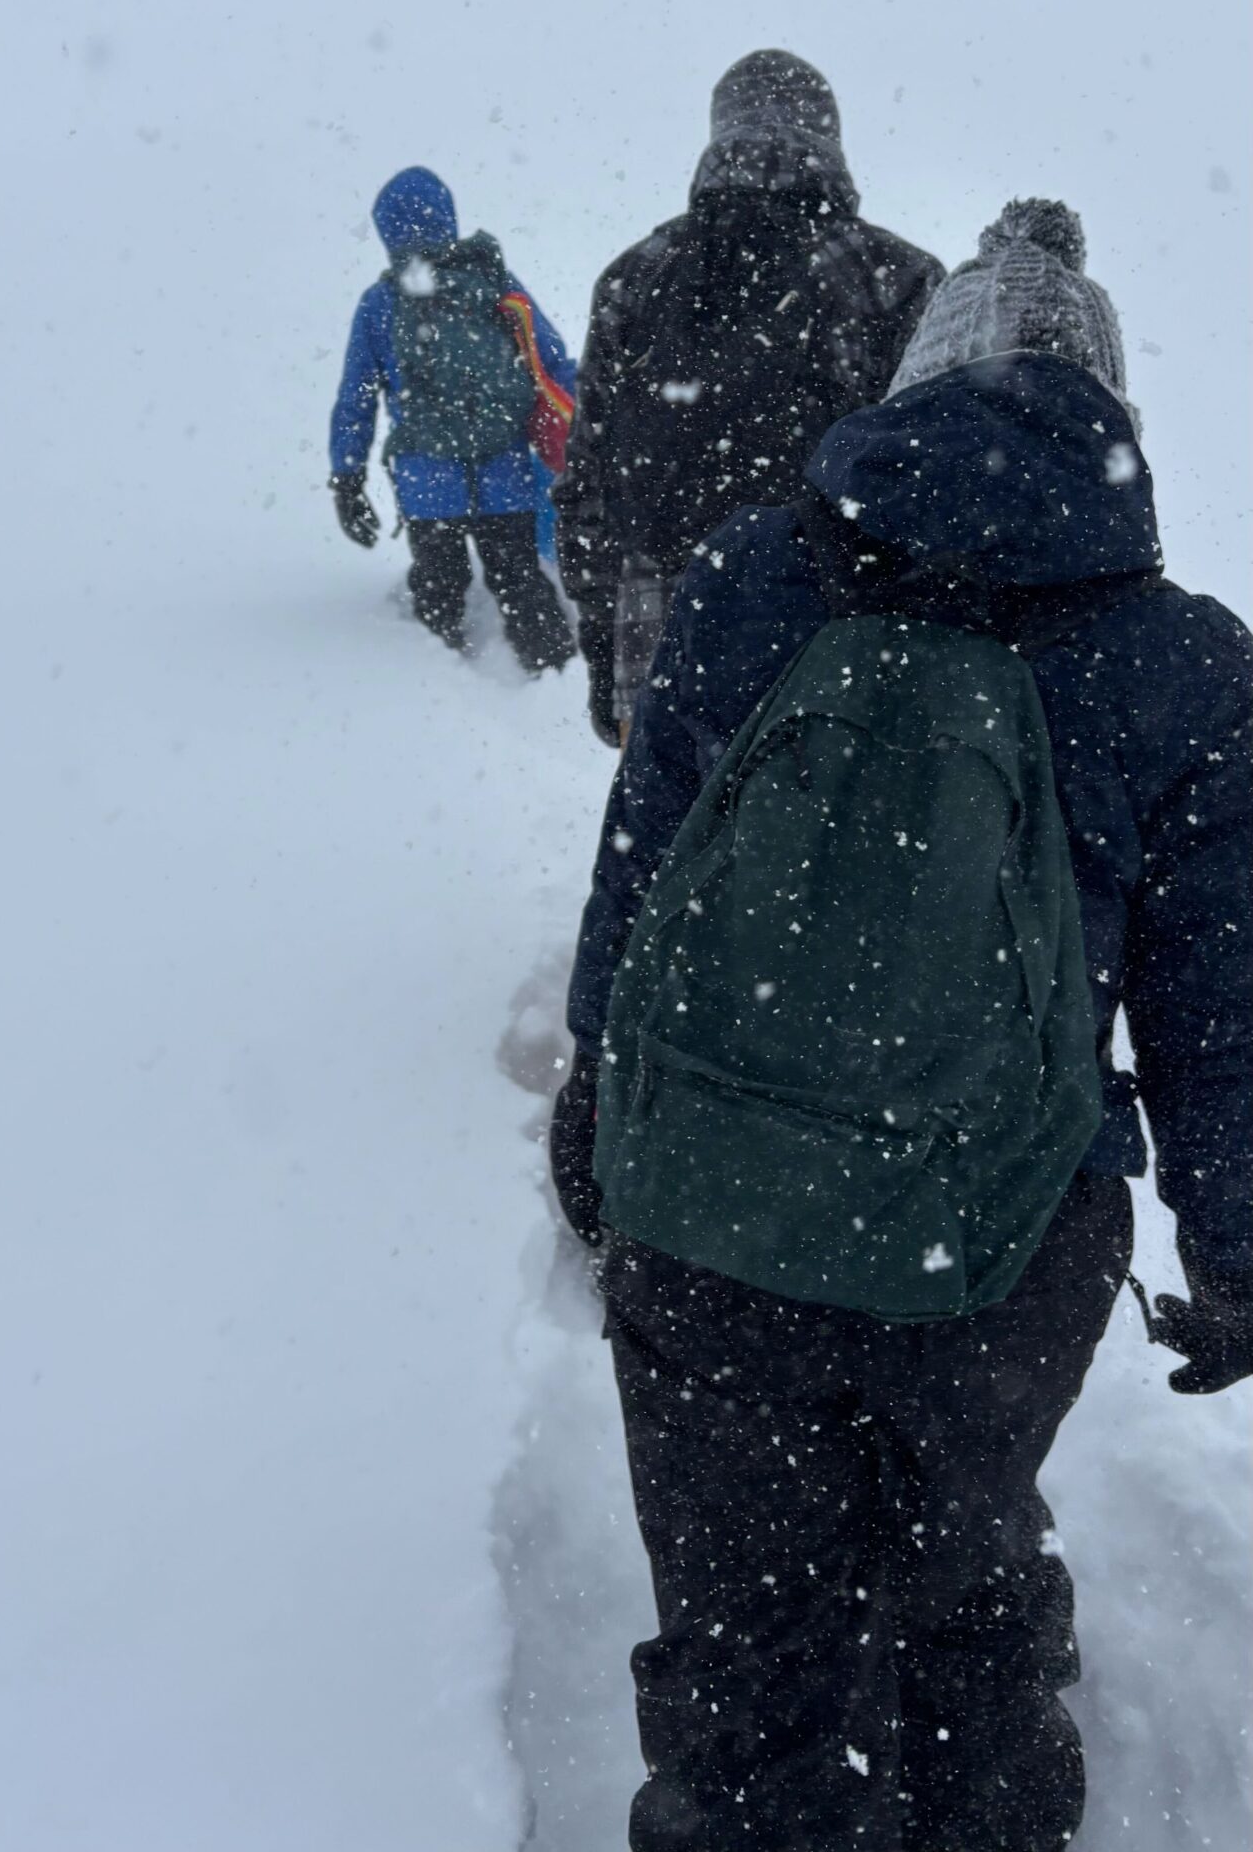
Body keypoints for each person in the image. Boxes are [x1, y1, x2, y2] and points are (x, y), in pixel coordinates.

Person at [549, 199, 1253, 1851]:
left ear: (905, 383)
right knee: (961, 1567)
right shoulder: (1184, 664)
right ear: (1115, 409)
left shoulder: (746, 573)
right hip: (996, 1246)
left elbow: (639, 878)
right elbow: (1222, 1022)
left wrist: (601, 1095)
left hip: (713, 1211)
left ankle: (757, 1791)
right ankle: (972, 1766)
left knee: (742, 1635)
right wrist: (1235, 1252)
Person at [555, 49, 943, 744]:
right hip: (837, 633)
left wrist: (603, 652)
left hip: (664, 630)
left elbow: (586, 483)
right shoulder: (896, 277)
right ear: (831, 136)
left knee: (674, 843)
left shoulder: (635, 277)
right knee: (823, 842)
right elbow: (932, 485)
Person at [329, 165, 578, 672]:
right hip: (502, 471)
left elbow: (356, 399)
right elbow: (550, 360)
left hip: (427, 483)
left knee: (438, 582)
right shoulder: (495, 283)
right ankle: (554, 675)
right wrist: (581, 431)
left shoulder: (380, 304)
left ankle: (436, 685)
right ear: (448, 217)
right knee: (519, 579)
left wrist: (346, 477)